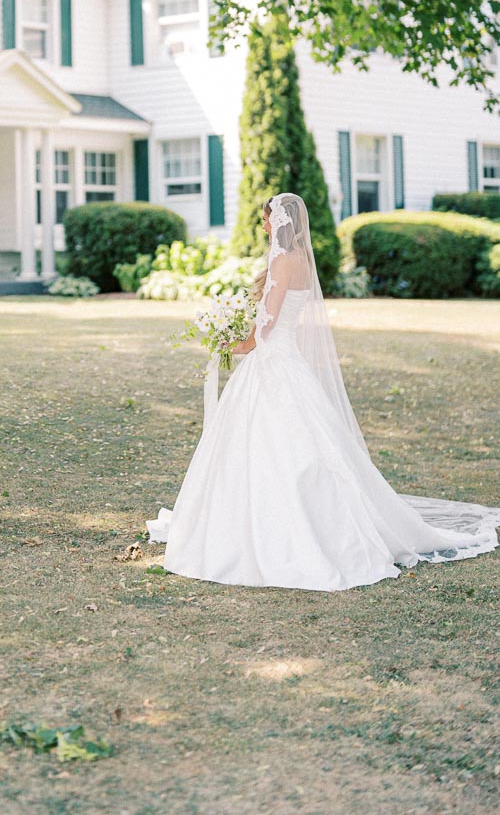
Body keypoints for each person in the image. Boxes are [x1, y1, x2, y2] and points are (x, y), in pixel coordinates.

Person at [148, 192, 500, 591]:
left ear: (278, 222)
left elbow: (264, 328)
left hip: (271, 364)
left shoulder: (281, 260)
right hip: (287, 363)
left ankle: (276, 533)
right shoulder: (300, 261)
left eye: (266, 219)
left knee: (272, 448)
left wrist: (229, 344)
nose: (263, 226)